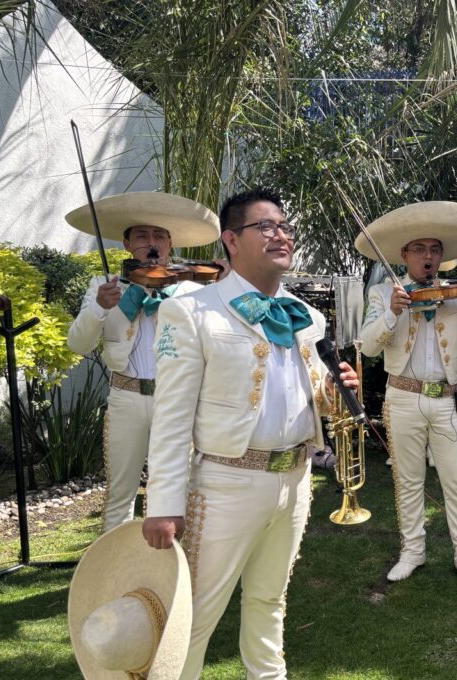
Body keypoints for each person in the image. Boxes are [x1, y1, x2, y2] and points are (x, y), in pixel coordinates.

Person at [141, 187, 358, 678]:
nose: (280, 234)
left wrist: (334, 390)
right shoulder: (192, 311)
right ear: (231, 241)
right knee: (191, 615)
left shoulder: (308, 316)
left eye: (284, 226)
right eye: (266, 226)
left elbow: (311, 400)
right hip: (225, 484)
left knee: (269, 600)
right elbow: (172, 417)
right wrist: (163, 504)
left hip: (296, 480)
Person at [357, 201, 457, 588]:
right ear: (404, 255)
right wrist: (393, 313)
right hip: (401, 398)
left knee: (456, 479)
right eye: (419, 249)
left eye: (435, 250)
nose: (428, 257)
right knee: (408, 479)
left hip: (447, 399)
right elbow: (367, 347)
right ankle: (412, 552)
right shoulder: (384, 293)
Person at [65, 192, 220, 531]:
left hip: (177, 399)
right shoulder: (104, 287)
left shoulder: (190, 288)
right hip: (126, 397)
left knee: (178, 491)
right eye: (142, 236)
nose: (152, 243)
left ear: (169, 243)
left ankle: (172, 572)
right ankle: (115, 572)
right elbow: (77, 344)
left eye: (159, 236)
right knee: (120, 494)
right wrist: (99, 309)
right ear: (126, 243)